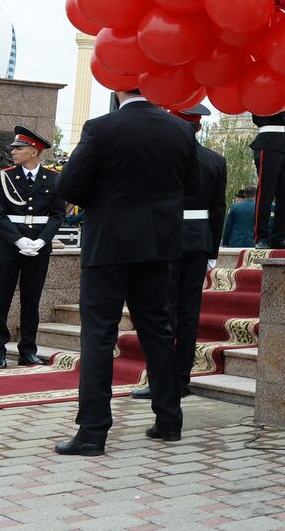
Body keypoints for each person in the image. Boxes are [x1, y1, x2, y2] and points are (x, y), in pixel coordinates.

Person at [55, 88, 200, 456]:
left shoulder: (101, 127)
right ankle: (169, 421)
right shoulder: (179, 129)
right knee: (158, 330)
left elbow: (67, 185)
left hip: (109, 245)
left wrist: (105, 204)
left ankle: (92, 432)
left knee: (99, 335)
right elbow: (193, 187)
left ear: (119, 88)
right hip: (158, 245)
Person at [132, 105, 226, 402]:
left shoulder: (160, 158)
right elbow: (218, 209)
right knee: (188, 313)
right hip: (198, 242)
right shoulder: (216, 160)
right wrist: (213, 249)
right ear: (199, 128)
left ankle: (160, 381)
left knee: (162, 312)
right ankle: (181, 380)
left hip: (165, 239)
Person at [0, 125, 66, 368]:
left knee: (31, 301)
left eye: (18, 148)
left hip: (39, 247)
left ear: (34, 151)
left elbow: (57, 215)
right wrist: (18, 240)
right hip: (10, 247)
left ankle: (28, 350)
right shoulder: (5, 176)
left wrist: (42, 241)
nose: (13, 152)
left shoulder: (54, 178)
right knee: (2, 299)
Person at [251, 111, 285, 249]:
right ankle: (261, 237)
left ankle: (279, 237)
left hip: (284, 139)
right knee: (266, 192)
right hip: (268, 139)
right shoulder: (259, 91)